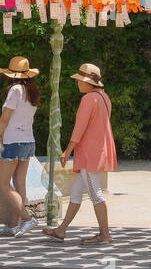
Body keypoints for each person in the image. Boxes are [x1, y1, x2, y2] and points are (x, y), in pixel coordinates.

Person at [45, 63, 117, 245]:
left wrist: (67, 150)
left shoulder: (88, 99)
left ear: (88, 82)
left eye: (80, 80)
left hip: (88, 155)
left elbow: (80, 129)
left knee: (95, 194)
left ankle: (105, 235)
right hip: (97, 151)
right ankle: (61, 230)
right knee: (76, 192)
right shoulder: (104, 97)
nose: (78, 83)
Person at [0, 56, 40, 237]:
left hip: (13, 140)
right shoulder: (32, 91)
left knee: (2, 183)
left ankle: (27, 219)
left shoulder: (15, 90)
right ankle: (14, 224)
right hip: (28, 140)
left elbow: (6, 117)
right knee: (19, 183)